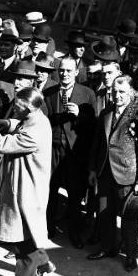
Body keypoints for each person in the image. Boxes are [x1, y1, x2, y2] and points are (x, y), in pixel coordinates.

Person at [0, 87, 54, 276]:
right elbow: (19, 125)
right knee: (27, 230)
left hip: (27, 190)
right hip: (23, 186)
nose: (14, 109)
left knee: (21, 237)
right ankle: (44, 262)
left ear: (29, 107)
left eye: (18, 107)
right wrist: (3, 123)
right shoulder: (38, 118)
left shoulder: (34, 133)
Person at [87, 75, 138, 271]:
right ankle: (107, 248)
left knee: (129, 218)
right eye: (115, 91)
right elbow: (97, 144)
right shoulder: (106, 112)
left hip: (127, 174)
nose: (117, 95)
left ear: (131, 92)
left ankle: (130, 256)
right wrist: (92, 169)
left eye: (122, 91)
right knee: (104, 213)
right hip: (105, 172)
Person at [44, 56, 96, 246]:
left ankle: (75, 233)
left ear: (76, 72)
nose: (64, 74)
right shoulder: (49, 92)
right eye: (61, 71)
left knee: (75, 194)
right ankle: (47, 229)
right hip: (53, 150)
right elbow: (44, 120)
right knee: (50, 191)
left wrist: (79, 116)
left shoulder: (88, 94)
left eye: (68, 71)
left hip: (75, 153)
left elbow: (93, 126)